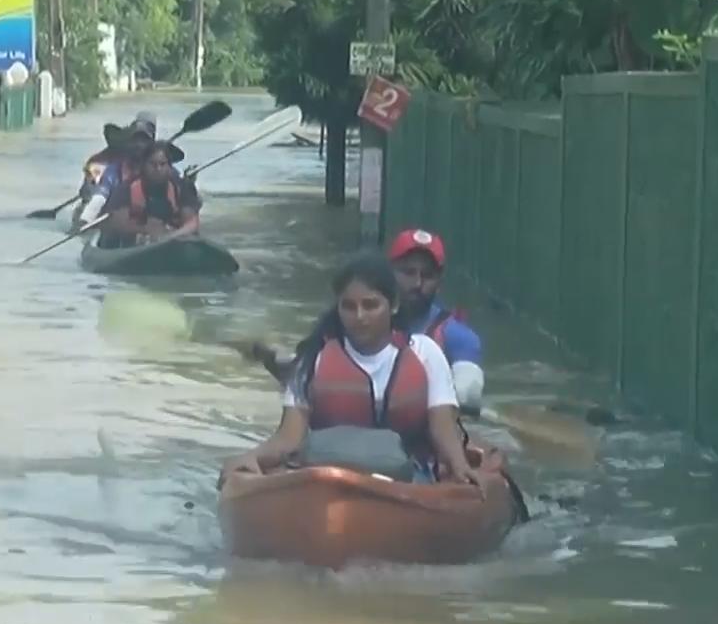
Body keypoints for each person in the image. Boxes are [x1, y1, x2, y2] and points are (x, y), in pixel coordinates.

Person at [219, 253, 486, 490]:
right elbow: (289, 438)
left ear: (392, 306)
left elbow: (443, 427)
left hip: (411, 480)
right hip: (328, 478)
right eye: (348, 306)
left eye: (370, 305)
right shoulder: (314, 360)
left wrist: (459, 465)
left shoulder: (425, 353)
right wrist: (252, 457)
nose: (359, 316)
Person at [386, 229, 485, 412]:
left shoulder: (459, 337)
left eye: (427, 275)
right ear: (389, 274)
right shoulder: (364, 320)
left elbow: (469, 394)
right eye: (408, 272)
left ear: (439, 283)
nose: (417, 284)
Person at [95, 139, 202, 249]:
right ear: (144, 166)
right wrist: (146, 230)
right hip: (130, 243)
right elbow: (119, 224)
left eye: (162, 164)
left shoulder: (181, 187)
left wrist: (169, 236)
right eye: (153, 164)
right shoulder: (125, 189)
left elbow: (192, 223)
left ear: (170, 167)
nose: (158, 169)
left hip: (171, 238)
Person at [74, 112, 159, 229]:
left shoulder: (158, 165)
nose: (139, 145)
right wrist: (85, 220)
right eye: (136, 140)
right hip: (107, 212)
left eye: (144, 141)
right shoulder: (104, 164)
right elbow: (97, 196)